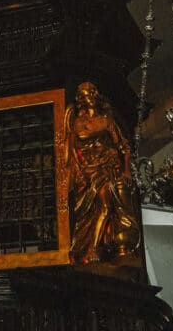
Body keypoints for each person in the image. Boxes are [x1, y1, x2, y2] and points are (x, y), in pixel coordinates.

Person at [65, 81, 140, 264]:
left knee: (114, 207)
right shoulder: (77, 121)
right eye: (82, 94)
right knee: (101, 206)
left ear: (96, 95)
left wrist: (127, 170)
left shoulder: (106, 119)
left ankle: (107, 246)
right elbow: (75, 146)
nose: (87, 97)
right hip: (90, 172)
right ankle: (90, 248)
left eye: (90, 92)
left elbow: (123, 146)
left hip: (111, 169)